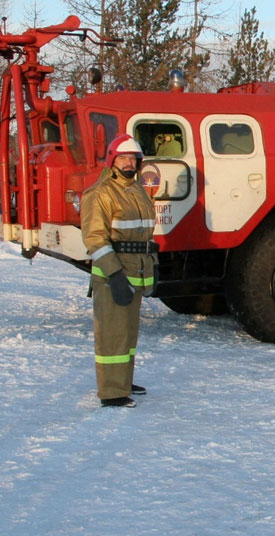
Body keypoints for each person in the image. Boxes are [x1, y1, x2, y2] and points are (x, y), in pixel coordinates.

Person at [81, 134, 158, 408]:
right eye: (123, 158)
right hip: (114, 274)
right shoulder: (101, 193)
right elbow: (95, 239)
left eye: (133, 159)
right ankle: (112, 392)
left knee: (128, 332)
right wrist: (114, 275)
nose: (129, 163)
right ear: (113, 161)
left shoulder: (136, 190)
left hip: (136, 271)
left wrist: (152, 263)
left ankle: (123, 379)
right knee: (112, 333)